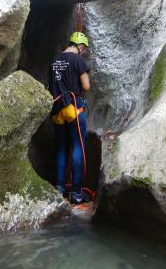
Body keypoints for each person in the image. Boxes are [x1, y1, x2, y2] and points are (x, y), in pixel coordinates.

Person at [48, 32, 91, 204]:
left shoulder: (54, 61)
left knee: (60, 148)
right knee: (77, 146)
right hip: (74, 108)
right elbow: (86, 86)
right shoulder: (77, 60)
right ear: (80, 46)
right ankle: (76, 192)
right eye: (84, 49)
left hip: (57, 110)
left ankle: (59, 188)